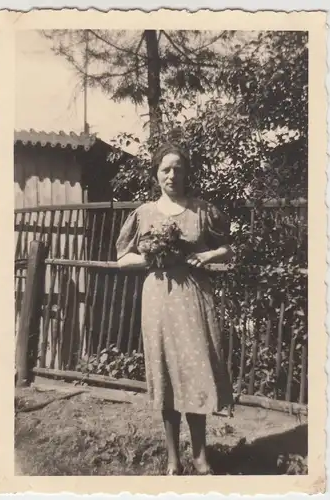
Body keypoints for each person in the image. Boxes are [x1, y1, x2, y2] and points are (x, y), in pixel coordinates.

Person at [116, 143, 234, 475]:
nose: (172, 175)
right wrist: (152, 258)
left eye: (178, 169)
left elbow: (227, 248)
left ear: (186, 173)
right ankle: (172, 458)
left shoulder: (201, 210)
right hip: (158, 299)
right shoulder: (143, 213)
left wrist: (208, 256)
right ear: (156, 174)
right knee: (165, 374)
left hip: (193, 296)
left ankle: (199, 456)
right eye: (166, 169)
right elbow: (122, 258)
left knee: (196, 372)